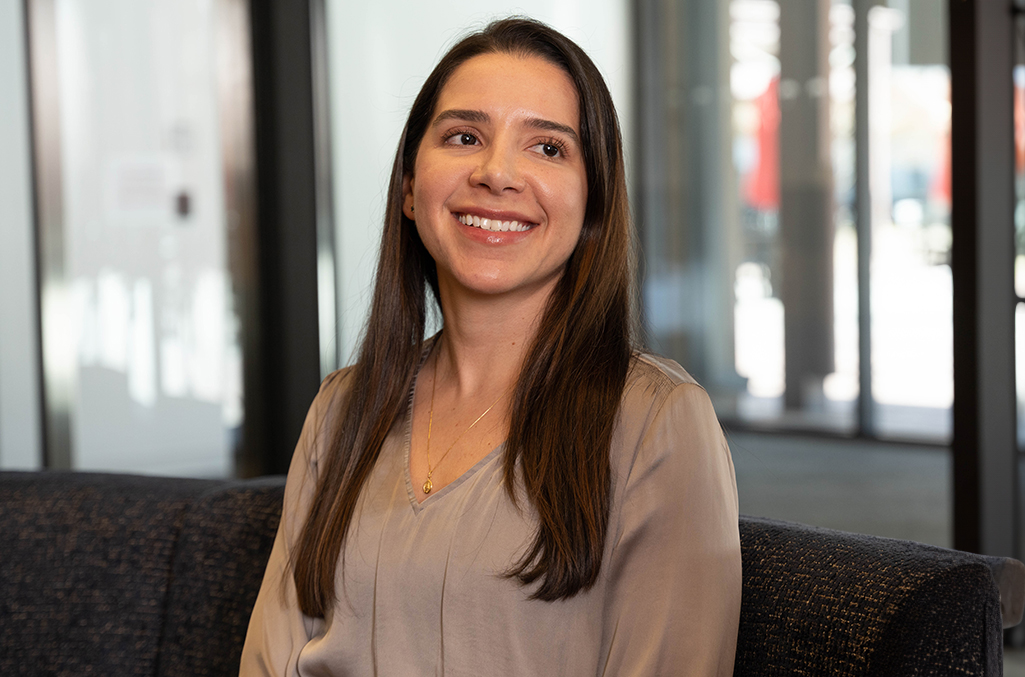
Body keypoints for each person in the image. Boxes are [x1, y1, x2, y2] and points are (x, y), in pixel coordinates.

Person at [240, 17, 741, 676]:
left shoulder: (656, 422)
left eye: (547, 148)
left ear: (591, 205)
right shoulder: (342, 409)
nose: (496, 172)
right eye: (464, 136)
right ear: (410, 190)